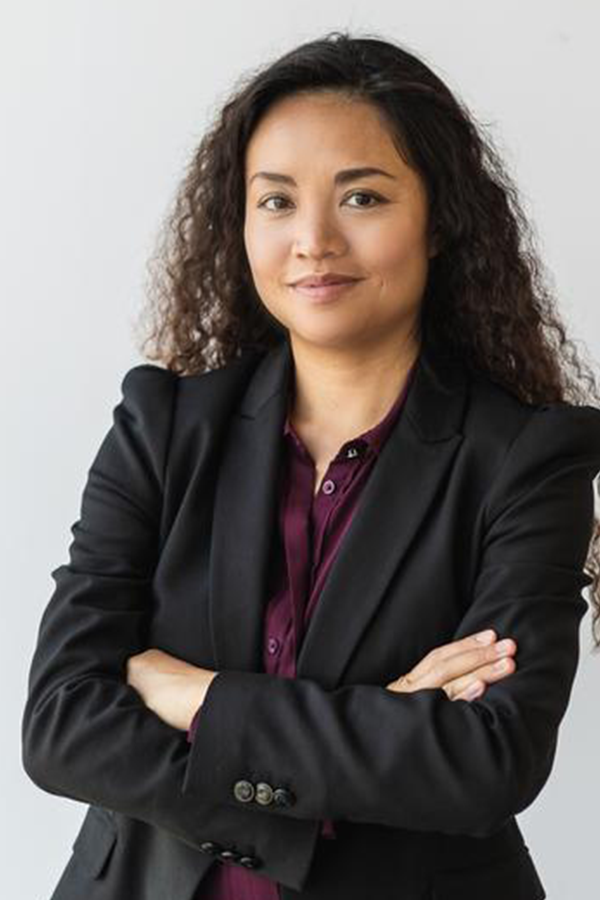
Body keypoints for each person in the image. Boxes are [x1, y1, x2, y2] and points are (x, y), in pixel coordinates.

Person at [22, 30, 600, 900]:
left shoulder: (527, 458)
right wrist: (379, 730)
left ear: (439, 221)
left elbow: (487, 760)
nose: (313, 239)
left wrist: (197, 697)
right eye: (276, 201)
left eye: (362, 197)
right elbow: (61, 725)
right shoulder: (162, 426)